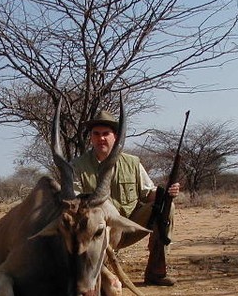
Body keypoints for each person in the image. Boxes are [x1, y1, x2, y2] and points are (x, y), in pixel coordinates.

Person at [72, 109, 181, 286]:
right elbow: (73, 203)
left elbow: (149, 193)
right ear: (90, 137)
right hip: (96, 232)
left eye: (106, 134)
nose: (101, 138)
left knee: (166, 206)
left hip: (128, 227)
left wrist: (168, 193)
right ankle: (91, 271)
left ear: (114, 136)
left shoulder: (132, 163)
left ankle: (156, 272)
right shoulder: (77, 166)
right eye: (96, 134)